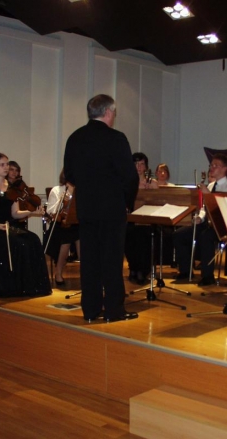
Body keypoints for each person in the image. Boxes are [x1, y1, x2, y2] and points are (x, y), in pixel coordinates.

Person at [64, 94, 139, 322]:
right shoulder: (116, 138)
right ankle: (114, 311)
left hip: (86, 209)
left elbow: (70, 174)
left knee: (89, 261)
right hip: (112, 210)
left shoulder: (75, 138)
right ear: (107, 112)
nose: (114, 116)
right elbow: (130, 176)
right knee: (111, 261)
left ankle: (90, 310)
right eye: (114, 112)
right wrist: (127, 203)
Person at [0, 153, 51, 298]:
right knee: (20, 244)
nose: (6, 167)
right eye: (2, 165)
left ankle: (31, 285)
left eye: (7, 164)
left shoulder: (12, 188)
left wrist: (32, 212)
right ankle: (10, 286)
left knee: (33, 239)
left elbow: (15, 213)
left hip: (9, 226)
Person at [173, 153, 227, 286]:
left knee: (206, 236)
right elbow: (204, 208)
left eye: (215, 165)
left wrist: (208, 194)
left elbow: (224, 211)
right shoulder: (211, 185)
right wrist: (200, 218)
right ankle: (185, 270)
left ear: (224, 169)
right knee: (179, 234)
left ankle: (208, 276)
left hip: (221, 226)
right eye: (211, 165)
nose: (211, 168)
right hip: (208, 223)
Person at [44, 169, 80, 286]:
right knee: (66, 240)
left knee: (83, 237)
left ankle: (86, 272)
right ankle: (58, 272)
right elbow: (50, 211)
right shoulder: (57, 190)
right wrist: (61, 200)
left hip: (76, 223)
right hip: (60, 225)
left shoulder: (80, 190)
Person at [126, 152, 156, 285]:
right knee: (128, 234)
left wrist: (150, 192)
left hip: (148, 221)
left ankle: (142, 271)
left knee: (143, 236)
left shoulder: (152, 183)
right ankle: (133, 268)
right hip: (131, 219)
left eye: (141, 164)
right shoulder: (127, 182)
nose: (138, 167)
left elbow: (158, 202)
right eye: (135, 164)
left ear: (146, 167)